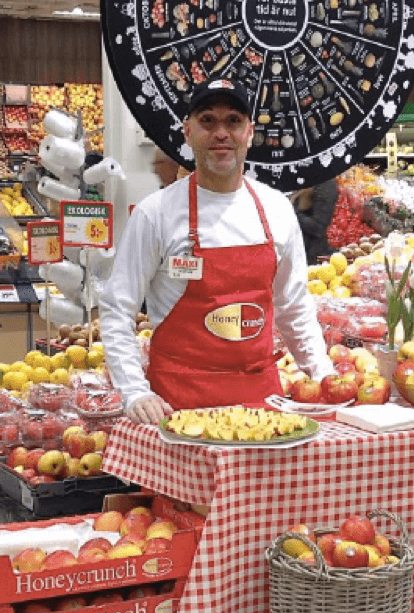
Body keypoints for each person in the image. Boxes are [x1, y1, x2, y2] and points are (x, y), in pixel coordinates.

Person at [100, 77, 335, 425]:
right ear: (188, 132)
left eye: (233, 121)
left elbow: (294, 307)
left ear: (249, 132)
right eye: (207, 120)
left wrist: (324, 377)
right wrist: (135, 391)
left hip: (262, 409)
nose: (221, 133)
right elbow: (117, 310)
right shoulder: (155, 213)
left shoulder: (276, 209)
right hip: (178, 411)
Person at [290, 180, 339, 264]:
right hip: (297, 249)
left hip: (311, 254)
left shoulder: (325, 185)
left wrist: (291, 211)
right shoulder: (303, 180)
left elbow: (318, 227)